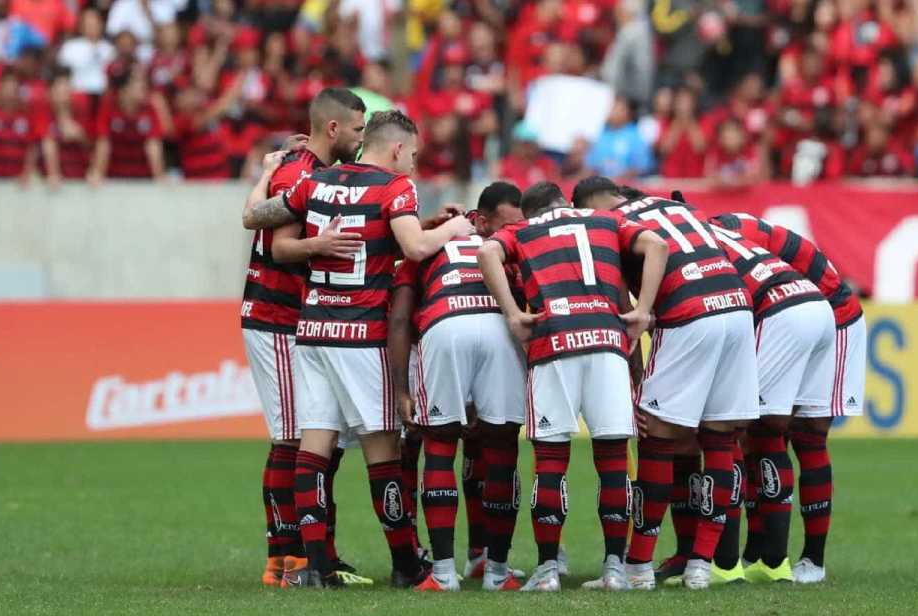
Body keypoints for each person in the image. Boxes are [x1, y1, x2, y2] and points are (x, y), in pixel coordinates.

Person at [273, 110, 476, 589]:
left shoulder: (319, 181)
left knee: (314, 446)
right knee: (382, 449)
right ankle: (407, 564)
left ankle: (317, 567)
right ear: (399, 149)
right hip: (361, 334)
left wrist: (263, 178)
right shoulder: (394, 188)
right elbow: (416, 247)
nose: (414, 167)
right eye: (415, 156)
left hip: (315, 329)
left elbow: (277, 229)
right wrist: (454, 229)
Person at [473, 179, 664, 592]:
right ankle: (615, 568)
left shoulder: (523, 230)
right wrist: (644, 311)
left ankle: (547, 572)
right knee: (613, 460)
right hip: (607, 340)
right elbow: (658, 246)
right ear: (563, 202)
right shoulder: (606, 221)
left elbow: (487, 251)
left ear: (532, 213)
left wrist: (511, 313)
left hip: (554, 338)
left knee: (551, 462)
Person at [576, 182, 757, 591]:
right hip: (736, 307)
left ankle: (638, 566)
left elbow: (637, 273)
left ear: (589, 209)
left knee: (655, 436)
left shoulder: (611, 224)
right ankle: (701, 565)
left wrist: (640, 317)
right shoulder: (670, 204)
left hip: (688, 313)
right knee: (719, 438)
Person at [235, 87, 367, 588]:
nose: (360, 138)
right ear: (333, 128)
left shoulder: (310, 171)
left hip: (301, 321)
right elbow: (273, 247)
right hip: (275, 316)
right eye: (356, 129)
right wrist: (321, 244)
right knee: (292, 436)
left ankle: (318, 553)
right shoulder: (298, 173)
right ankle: (284, 559)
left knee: (319, 440)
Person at [705, 208, 865, 585]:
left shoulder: (729, 239)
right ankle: (760, 552)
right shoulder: (733, 229)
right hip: (792, 312)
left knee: (807, 436)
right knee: (758, 432)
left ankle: (813, 558)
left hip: (834, 314)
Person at [389, 181, 530, 592]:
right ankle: (497, 572)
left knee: (439, 446)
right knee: (502, 448)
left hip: (445, 325)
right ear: (484, 222)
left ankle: (444, 574)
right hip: (498, 325)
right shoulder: (505, 247)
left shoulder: (427, 245)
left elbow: (399, 320)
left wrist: (401, 390)